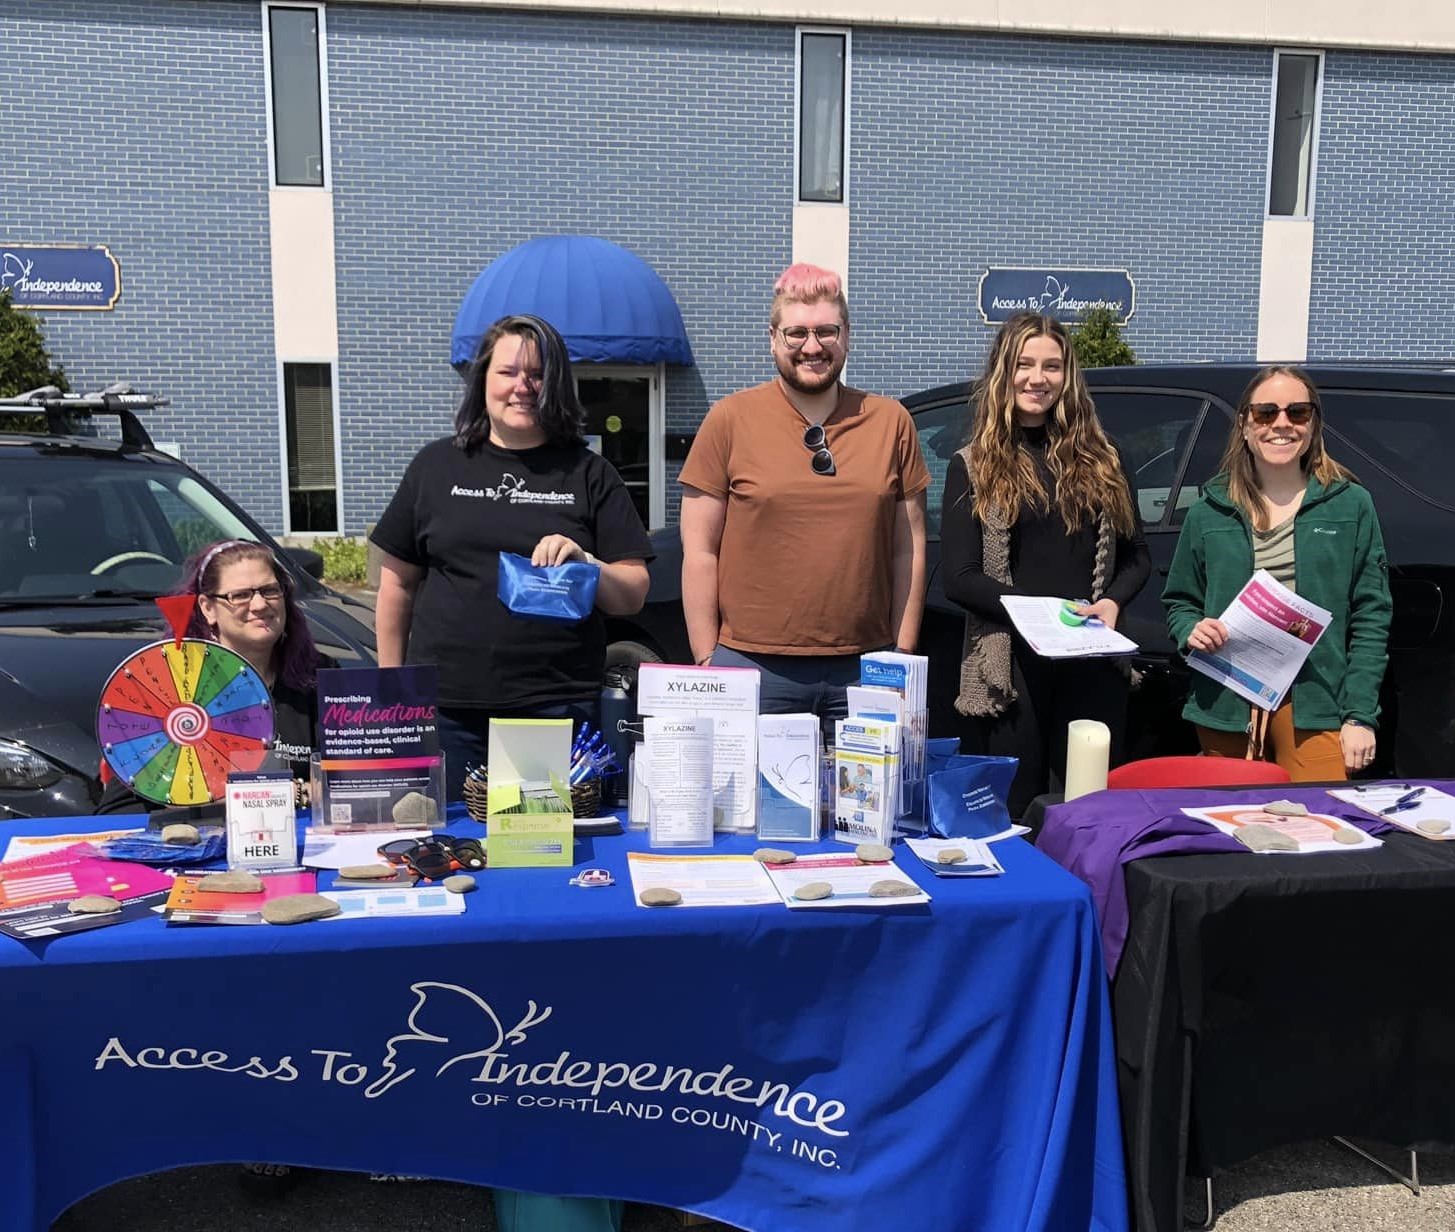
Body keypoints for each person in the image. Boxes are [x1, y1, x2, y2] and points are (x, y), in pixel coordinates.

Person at [370, 314, 652, 800]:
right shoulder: (436, 467)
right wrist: (392, 690)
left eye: (537, 374)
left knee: (541, 853)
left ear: (556, 385)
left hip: (554, 709)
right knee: (445, 846)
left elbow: (633, 593)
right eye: (508, 373)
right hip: (447, 710)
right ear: (484, 380)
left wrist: (587, 562)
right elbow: (396, 586)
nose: (522, 387)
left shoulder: (589, 473)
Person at [678, 264, 929, 717]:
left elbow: (906, 547)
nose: (811, 347)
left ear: (846, 335)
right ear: (773, 337)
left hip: (867, 666)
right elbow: (699, 551)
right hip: (751, 666)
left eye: (826, 331)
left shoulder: (892, 422)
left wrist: (902, 654)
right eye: (796, 333)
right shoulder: (729, 419)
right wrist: (706, 661)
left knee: (869, 791)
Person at [941, 312, 1149, 817]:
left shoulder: (1104, 458)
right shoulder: (973, 464)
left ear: (1067, 374)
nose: (1038, 378)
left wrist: (1112, 602)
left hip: (1092, 661)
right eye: (1024, 364)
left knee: (1085, 811)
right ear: (1003, 371)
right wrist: (1041, 613)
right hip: (1011, 668)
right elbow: (959, 578)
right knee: (1017, 811)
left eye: (1051, 366)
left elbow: (1136, 556)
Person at [1163, 365, 1391, 779]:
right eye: (1266, 413)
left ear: (1313, 424)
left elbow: (1371, 617)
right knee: (1229, 827)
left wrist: (1360, 716)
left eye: (1297, 412)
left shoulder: (1350, 504)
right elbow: (1180, 600)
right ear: (1246, 426)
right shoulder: (1207, 509)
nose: (1281, 424)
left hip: (1317, 701)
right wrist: (1191, 629)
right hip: (1227, 697)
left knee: (1318, 828)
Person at [99, 538, 330, 812]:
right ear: (208, 608)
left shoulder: (318, 677)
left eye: (270, 590)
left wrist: (294, 794)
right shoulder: (166, 686)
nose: (259, 604)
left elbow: (355, 783)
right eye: (240, 595)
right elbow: (114, 812)